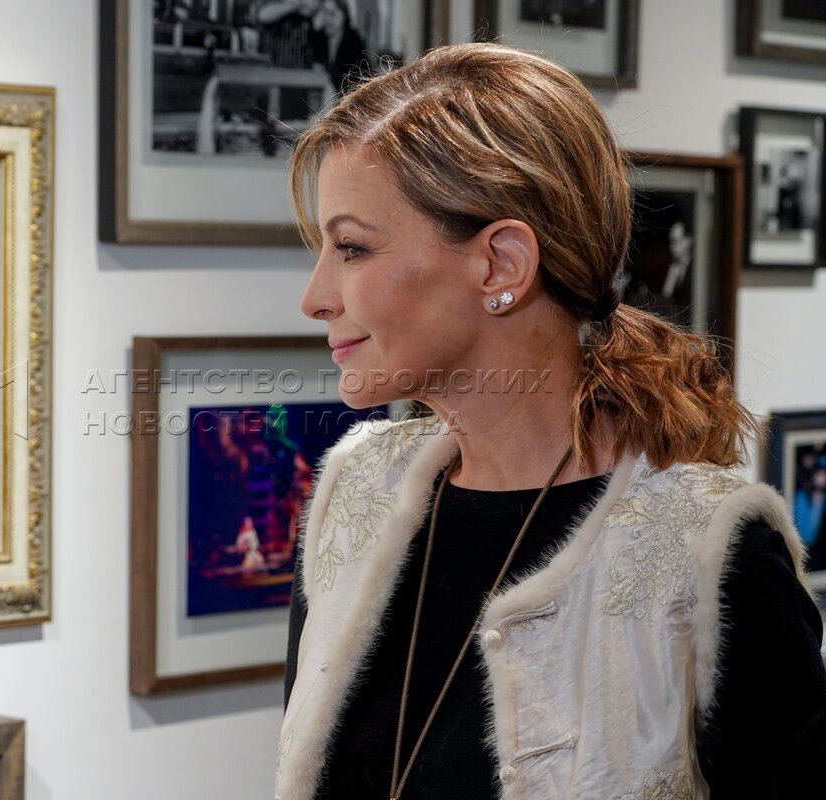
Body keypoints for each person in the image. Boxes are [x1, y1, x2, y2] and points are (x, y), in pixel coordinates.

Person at [277, 43, 826, 800]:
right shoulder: (356, 495)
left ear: (501, 264)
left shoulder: (708, 553)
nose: (314, 297)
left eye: (350, 248)